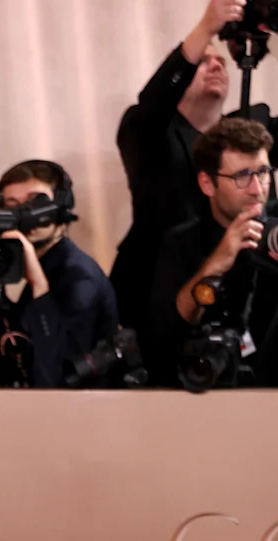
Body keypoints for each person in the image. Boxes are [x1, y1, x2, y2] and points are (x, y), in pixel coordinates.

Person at [111, 0, 252, 360]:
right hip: (152, 298)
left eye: (220, 60)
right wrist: (207, 27)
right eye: (203, 61)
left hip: (229, 301)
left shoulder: (243, 137)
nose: (216, 64)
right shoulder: (148, 132)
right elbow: (154, 101)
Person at [152, 117, 278, 384]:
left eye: (263, 172)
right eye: (242, 176)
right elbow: (165, 335)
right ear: (207, 184)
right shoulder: (181, 242)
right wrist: (217, 262)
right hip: (205, 393)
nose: (257, 189)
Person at [0, 160, 119, 387]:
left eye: (36, 202)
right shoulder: (45, 263)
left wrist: (39, 285)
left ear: (62, 206)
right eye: (12, 205)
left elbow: (56, 376)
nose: (24, 214)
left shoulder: (80, 278)